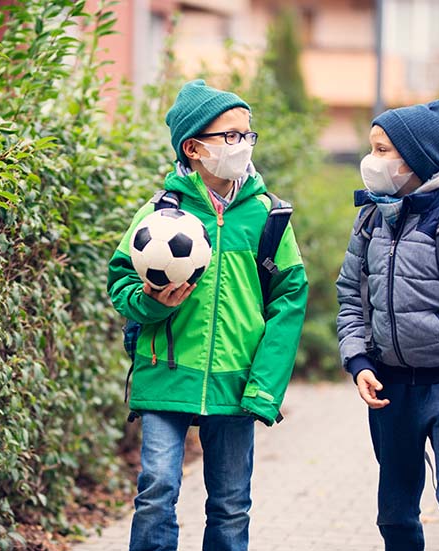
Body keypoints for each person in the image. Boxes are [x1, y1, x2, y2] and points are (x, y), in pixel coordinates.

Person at [107, 79, 308, 551]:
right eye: (230, 136)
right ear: (193, 148)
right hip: (165, 373)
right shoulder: (160, 214)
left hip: (237, 383)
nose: (243, 145)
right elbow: (120, 284)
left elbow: (290, 300)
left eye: (247, 135)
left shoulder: (268, 216)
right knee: (156, 492)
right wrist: (154, 303)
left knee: (231, 504)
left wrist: (264, 386)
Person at [335, 99, 439, 551]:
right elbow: (350, 294)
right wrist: (358, 360)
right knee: (394, 517)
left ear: (416, 158)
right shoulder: (372, 216)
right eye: (371, 149)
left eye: (382, 151)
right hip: (390, 390)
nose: (371, 161)